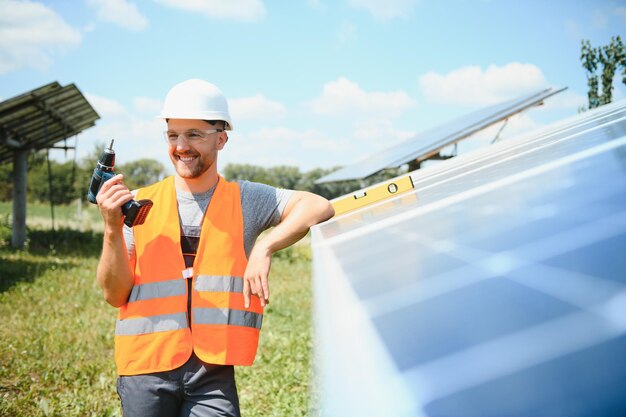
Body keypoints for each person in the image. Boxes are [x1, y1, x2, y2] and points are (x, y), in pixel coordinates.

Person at [95, 79, 334, 417]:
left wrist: (265, 245)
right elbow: (114, 293)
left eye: (194, 134)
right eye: (173, 135)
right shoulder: (138, 204)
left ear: (221, 138)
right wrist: (111, 227)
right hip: (145, 365)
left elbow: (318, 206)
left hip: (212, 372)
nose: (181, 146)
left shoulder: (245, 199)